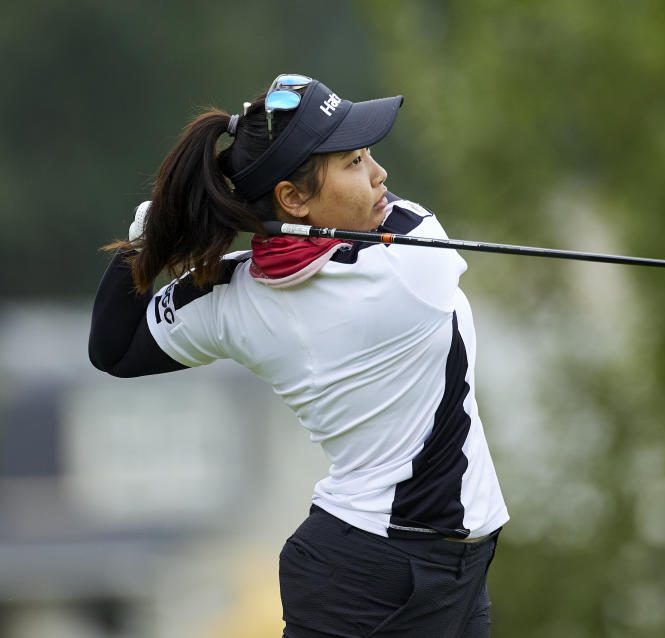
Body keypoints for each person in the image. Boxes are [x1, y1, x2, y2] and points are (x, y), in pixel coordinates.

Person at [88, 73, 509, 637]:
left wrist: (148, 237)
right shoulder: (412, 265)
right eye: (356, 161)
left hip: (424, 567)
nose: (381, 175)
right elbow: (382, 224)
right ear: (293, 198)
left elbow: (114, 347)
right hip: (379, 574)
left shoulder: (231, 294)